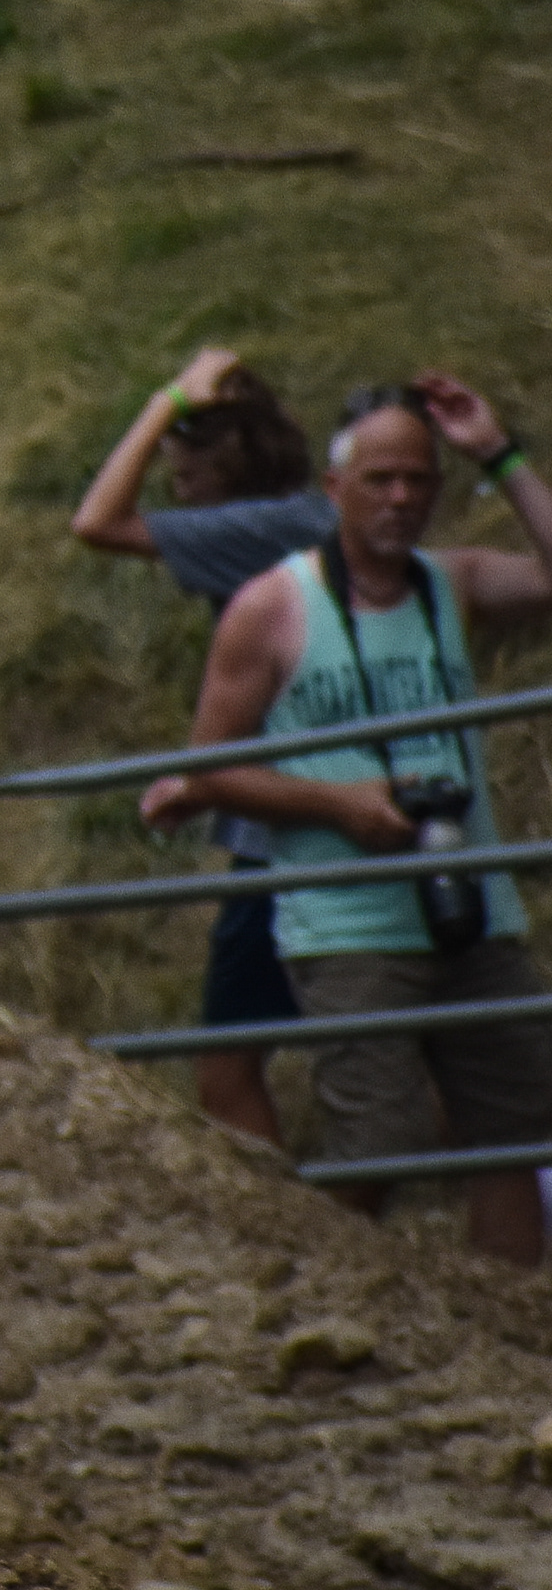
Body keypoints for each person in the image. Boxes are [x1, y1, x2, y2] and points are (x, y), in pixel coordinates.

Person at [139, 377, 552, 1266]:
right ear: (334, 489)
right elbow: (207, 767)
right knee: (380, 1145)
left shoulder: (454, 582)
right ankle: (311, 1291)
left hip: (472, 909)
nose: (400, 498)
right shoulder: (273, 606)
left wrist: (498, 453)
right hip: (350, 920)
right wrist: (339, 804)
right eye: (379, 480)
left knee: (515, 1134)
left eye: (418, 479)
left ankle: (512, 1329)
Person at [69, 346, 331, 1146]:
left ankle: (308, 1219)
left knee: (226, 1068)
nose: (172, 479)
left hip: (286, 839)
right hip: (322, 817)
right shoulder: (308, 522)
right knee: (403, 1044)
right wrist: (196, 781)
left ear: (232, 461)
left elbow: (97, 521)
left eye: (186, 464)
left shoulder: (264, 531)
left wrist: (165, 403)